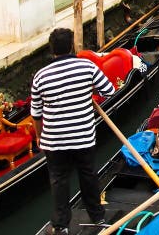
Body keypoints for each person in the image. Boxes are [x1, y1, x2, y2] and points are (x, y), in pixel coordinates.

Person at [31, 28, 115, 235]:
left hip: (54, 140)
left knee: (59, 181)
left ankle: (61, 226)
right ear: (72, 46)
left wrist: (40, 138)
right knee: (88, 176)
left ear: (52, 50)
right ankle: (97, 217)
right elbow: (109, 91)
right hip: (83, 137)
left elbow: (36, 114)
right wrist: (87, 90)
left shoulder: (40, 76)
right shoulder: (87, 66)